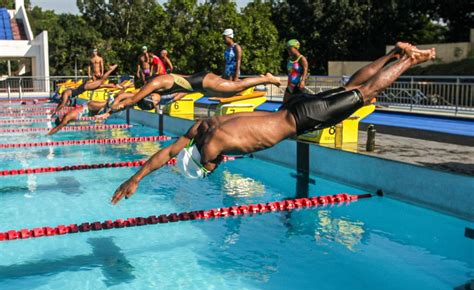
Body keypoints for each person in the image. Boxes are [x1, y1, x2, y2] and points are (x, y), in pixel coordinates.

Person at [111, 43, 436, 204]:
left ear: (204, 161)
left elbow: (171, 155)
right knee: (351, 87)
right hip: (293, 106)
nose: (218, 165)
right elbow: (167, 152)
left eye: (212, 168)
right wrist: (136, 177)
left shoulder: (211, 145)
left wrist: (140, 177)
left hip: (302, 118)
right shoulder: (201, 128)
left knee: (363, 93)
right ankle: (395, 53)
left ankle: (410, 58)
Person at [108, 72, 281, 113]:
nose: (157, 102)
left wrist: (113, 109)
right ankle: (262, 79)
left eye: (153, 101)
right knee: (229, 94)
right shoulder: (156, 89)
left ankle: (266, 78)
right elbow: (128, 97)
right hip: (200, 86)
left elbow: (131, 99)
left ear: (150, 95)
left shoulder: (155, 83)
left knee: (236, 87)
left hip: (203, 81)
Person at [52, 64, 119, 116]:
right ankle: (115, 85)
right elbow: (60, 104)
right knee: (100, 85)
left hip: (84, 87)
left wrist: (55, 111)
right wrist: (56, 110)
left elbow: (62, 104)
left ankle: (110, 69)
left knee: (101, 81)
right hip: (84, 87)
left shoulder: (65, 94)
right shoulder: (64, 94)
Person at [283, 39, 309, 104]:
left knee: (299, 105)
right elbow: (289, 73)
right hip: (290, 85)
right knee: (285, 103)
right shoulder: (289, 59)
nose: (288, 51)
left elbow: (305, 69)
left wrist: (303, 81)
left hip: (298, 86)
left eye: (290, 48)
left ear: (295, 48)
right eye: (287, 49)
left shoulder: (302, 59)